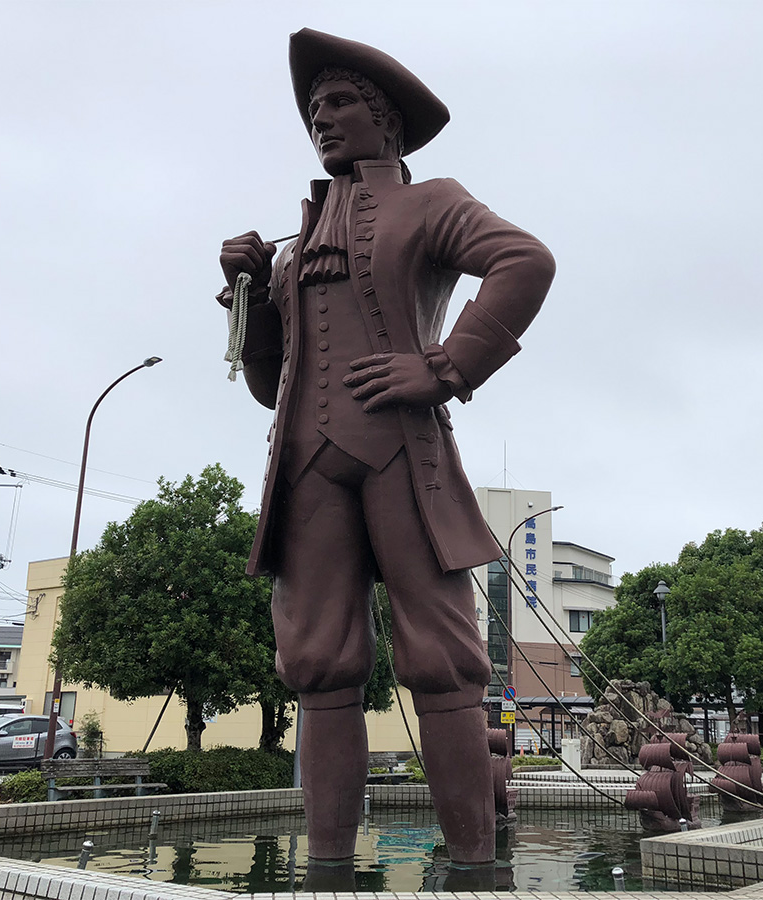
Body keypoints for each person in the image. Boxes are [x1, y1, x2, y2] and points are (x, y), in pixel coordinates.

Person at [217, 28, 554, 865]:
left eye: (339, 105)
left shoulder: (430, 201)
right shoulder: (292, 251)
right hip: (304, 466)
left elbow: (523, 259)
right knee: (318, 664)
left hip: (406, 455)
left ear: (387, 123)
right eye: (313, 110)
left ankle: (477, 869)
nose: (320, 120)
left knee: (443, 660)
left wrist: (444, 366)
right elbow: (269, 383)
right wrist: (251, 294)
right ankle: (327, 870)